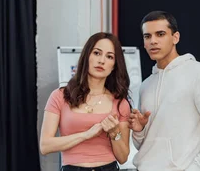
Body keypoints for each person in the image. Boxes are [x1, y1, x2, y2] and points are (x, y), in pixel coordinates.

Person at [127, 10, 200, 171]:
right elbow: (143, 144)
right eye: (147, 36)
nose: (153, 41)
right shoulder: (145, 85)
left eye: (160, 34)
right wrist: (140, 131)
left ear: (175, 37)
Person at [39, 32, 132, 171]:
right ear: (86, 56)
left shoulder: (121, 103)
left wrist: (115, 133)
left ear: (114, 66)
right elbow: (45, 146)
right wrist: (85, 135)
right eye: (96, 53)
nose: (101, 61)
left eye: (109, 57)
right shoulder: (60, 96)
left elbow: (123, 157)